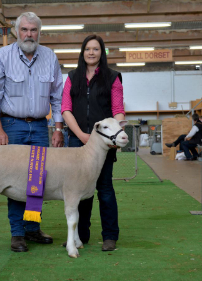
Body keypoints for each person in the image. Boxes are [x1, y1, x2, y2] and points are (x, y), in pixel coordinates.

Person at [0, 12, 64, 253]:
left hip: (40, 126)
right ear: (16, 32)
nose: (29, 34)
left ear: (39, 32)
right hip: (12, 126)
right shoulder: (2, 57)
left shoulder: (50, 57)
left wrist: (58, 128)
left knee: (37, 180)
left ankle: (32, 228)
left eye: (33, 30)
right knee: (15, 179)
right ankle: (17, 233)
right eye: (24, 30)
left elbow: (58, 97)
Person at [61, 34, 125, 251]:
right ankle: (80, 235)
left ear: (102, 52)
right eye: (87, 49)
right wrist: (80, 134)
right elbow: (65, 109)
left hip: (103, 145)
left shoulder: (113, 77)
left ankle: (110, 236)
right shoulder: (72, 77)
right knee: (78, 190)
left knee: (104, 188)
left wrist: (117, 132)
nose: (91, 52)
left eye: (96, 49)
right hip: (76, 141)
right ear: (82, 51)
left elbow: (117, 110)